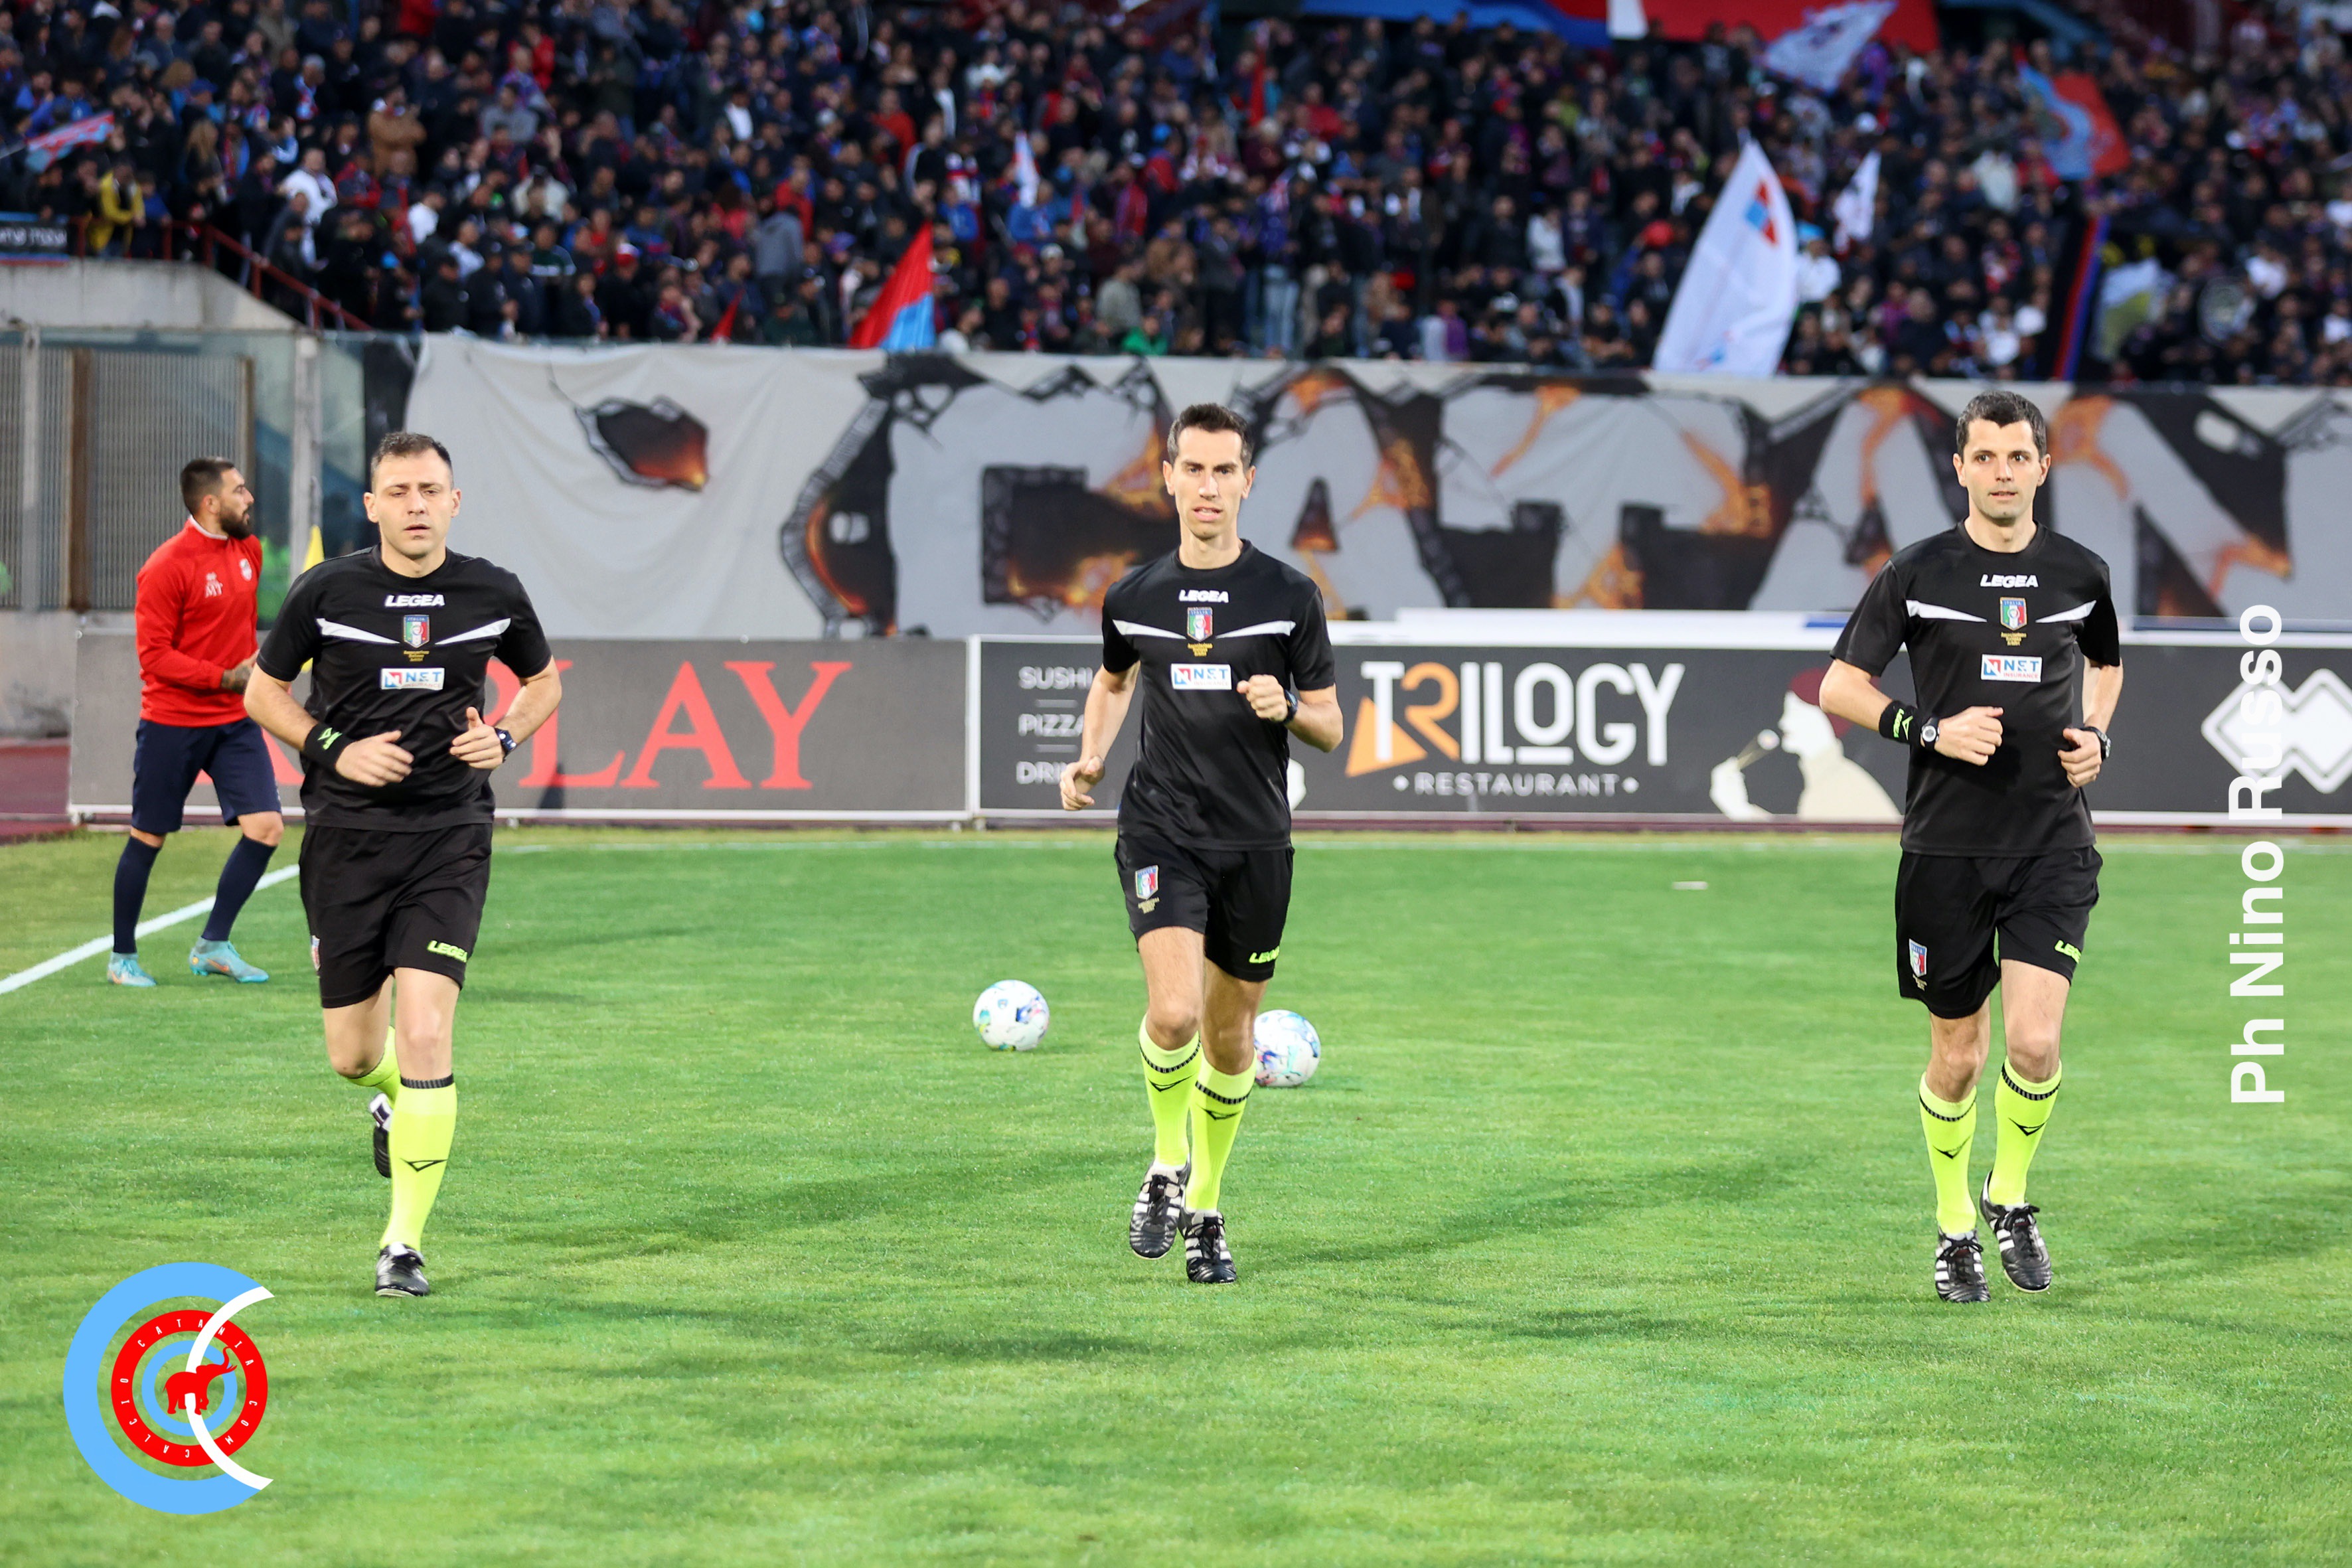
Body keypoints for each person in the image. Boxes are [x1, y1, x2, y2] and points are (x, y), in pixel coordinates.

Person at [1818, 389, 2124, 1304]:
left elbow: (2106, 663)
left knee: (2033, 1043)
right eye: (1983, 457)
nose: (2001, 472)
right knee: (1956, 1057)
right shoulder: (1916, 573)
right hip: (1945, 850)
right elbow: (1839, 686)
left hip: (2050, 845)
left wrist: (2096, 736)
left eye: (2016, 456)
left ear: (2042, 467)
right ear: (1958, 468)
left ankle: (2009, 1197)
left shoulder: (2081, 574)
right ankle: (1954, 1225)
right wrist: (1927, 730)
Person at [244, 431, 562, 1298]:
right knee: (353, 1055)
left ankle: (403, 1245)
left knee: (425, 1032)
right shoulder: (326, 590)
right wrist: (335, 748)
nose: (416, 504)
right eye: (399, 490)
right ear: (372, 505)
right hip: (345, 841)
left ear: (454, 502)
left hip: (448, 837)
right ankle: (389, 1098)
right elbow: (263, 691)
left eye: (430, 489)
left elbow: (542, 683)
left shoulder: (493, 591)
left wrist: (504, 737)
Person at [1059, 403, 1343, 1285]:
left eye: (1225, 470)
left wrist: (1286, 708)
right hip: (1162, 828)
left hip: (1255, 842)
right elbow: (1113, 681)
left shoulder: (1289, 596)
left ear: (1247, 482)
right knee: (1175, 1012)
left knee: (1229, 1042)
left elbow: (1331, 726)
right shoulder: (1133, 595)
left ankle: (1207, 1209)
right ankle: (1165, 1163)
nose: (1208, 486)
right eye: (1194, 468)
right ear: (1169, 478)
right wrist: (1091, 753)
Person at [109, 459, 283, 988]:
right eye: (239, 490)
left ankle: (213, 945)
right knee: (148, 836)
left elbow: (240, 632)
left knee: (267, 828)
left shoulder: (248, 551)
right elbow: (154, 657)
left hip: (235, 720)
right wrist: (224, 677)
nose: (249, 498)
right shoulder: (166, 566)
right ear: (210, 503)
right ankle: (121, 958)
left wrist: (258, 671)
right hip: (173, 722)